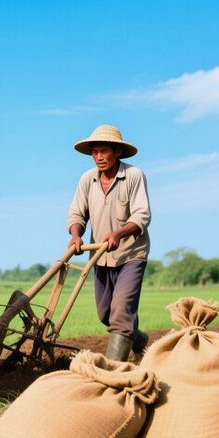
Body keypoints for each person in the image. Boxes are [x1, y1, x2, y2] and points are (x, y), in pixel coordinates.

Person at [66, 125, 152, 361]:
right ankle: (141, 341)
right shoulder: (87, 179)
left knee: (121, 311)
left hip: (130, 254)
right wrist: (76, 235)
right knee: (106, 314)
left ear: (117, 152)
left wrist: (119, 233)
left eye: (104, 152)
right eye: (95, 152)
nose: (99, 157)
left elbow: (142, 215)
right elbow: (76, 214)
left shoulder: (133, 175)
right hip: (100, 256)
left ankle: (113, 371)